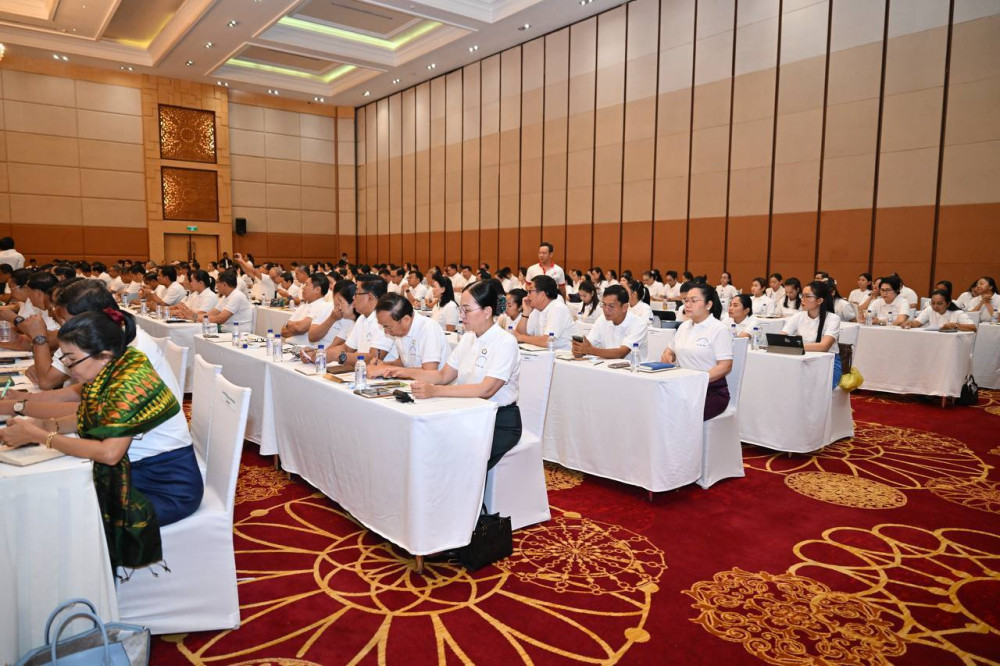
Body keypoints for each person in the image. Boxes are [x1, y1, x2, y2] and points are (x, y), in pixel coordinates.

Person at [1, 309, 202, 569]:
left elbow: (110, 453)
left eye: (72, 359)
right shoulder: (116, 364)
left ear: (104, 355)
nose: (68, 368)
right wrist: (45, 426)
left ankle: (89, 586)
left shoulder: (130, 380)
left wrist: (40, 435)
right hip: (139, 470)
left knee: (68, 513)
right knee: (52, 499)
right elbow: (89, 415)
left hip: (167, 487)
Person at [380, 280, 521, 470]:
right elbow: (443, 375)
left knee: (457, 457)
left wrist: (435, 391)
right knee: (428, 443)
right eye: (461, 309)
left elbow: (486, 390)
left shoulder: (505, 342)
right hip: (468, 412)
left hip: (498, 420)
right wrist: (403, 372)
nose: (461, 315)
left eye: (466, 310)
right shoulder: (469, 338)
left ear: (487, 311)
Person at [660, 284, 733, 420]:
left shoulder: (719, 329)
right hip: (682, 386)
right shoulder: (684, 326)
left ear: (708, 305)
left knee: (678, 413)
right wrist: (668, 354)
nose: (687, 305)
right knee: (658, 405)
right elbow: (670, 349)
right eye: (686, 300)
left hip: (709, 391)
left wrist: (698, 380)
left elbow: (725, 366)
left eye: (693, 301)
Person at [368, 293, 450, 375]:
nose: (386, 332)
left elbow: (429, 372)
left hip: (435, 382)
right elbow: (404, 362)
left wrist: (387, 369)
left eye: (387, 327)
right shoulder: (401, 332)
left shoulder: (428, 328)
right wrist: (384, 365)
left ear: (405, 320)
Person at [781, 280, 843, 387]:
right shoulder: (798, 316)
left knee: (812, 387)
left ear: (819, 300)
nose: (802, 299)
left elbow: (823, 346)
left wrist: (793, 345)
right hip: (803, 359)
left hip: (828, 363)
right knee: (786, 382)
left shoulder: (833, 318)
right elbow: (781, 338)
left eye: (807, 296)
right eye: (802, 296)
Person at [324, 276, 395, 367]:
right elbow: (346, 348)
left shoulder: (384, 320)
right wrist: (322, 353)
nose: (353, 297)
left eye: (357, 292)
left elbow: (373, 358)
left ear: (370, 297)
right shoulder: (362, 318)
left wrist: (337, 357)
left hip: (382, 373)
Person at [572, 285, 648, 360]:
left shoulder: (639, 324)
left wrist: (590, 350)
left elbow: (621, 353)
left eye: (611, 306)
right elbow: (589, 344)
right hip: (606, 365)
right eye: (604, 305)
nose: (606, 309)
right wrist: (579, 349)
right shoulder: (602, 319)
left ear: (625, 307)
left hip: (633, 367)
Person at [300, 281, 358, 364]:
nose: (340, 307)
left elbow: (342, 347)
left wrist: (318, 355)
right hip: (325, 355)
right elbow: (312, 337)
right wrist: (332, 318)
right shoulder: (324, 307)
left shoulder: (352, 319)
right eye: (338, 301)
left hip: (334, 360)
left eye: (341, 301)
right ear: (333, 295)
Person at [514, 274, 574, 350]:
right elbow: (519, 334)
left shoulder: (558, 308)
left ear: (542, 295)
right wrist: (525, 313)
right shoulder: (537, 309)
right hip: (545, 353)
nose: (527, 296)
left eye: (530, 291)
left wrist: (521, 337)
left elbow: (547, 341)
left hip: (564, 355)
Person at [280, 273, 334, 346]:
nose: (303, 287)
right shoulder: (302, 306)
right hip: (288, 345)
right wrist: (297, 328)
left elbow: (301, 327)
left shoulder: (323, 306)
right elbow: (283, 331)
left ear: (317, 289)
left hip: (302, 348)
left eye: (307, 285)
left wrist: (290, 325)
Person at [902, 290, 976, 331]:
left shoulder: (958, 313)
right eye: (933, 303)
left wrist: (956, 325)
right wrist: (910, 323)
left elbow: (973, 327)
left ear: (948, 303)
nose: (935, 306)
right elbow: (918, 322)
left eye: (940, 303)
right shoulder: (929, 309)